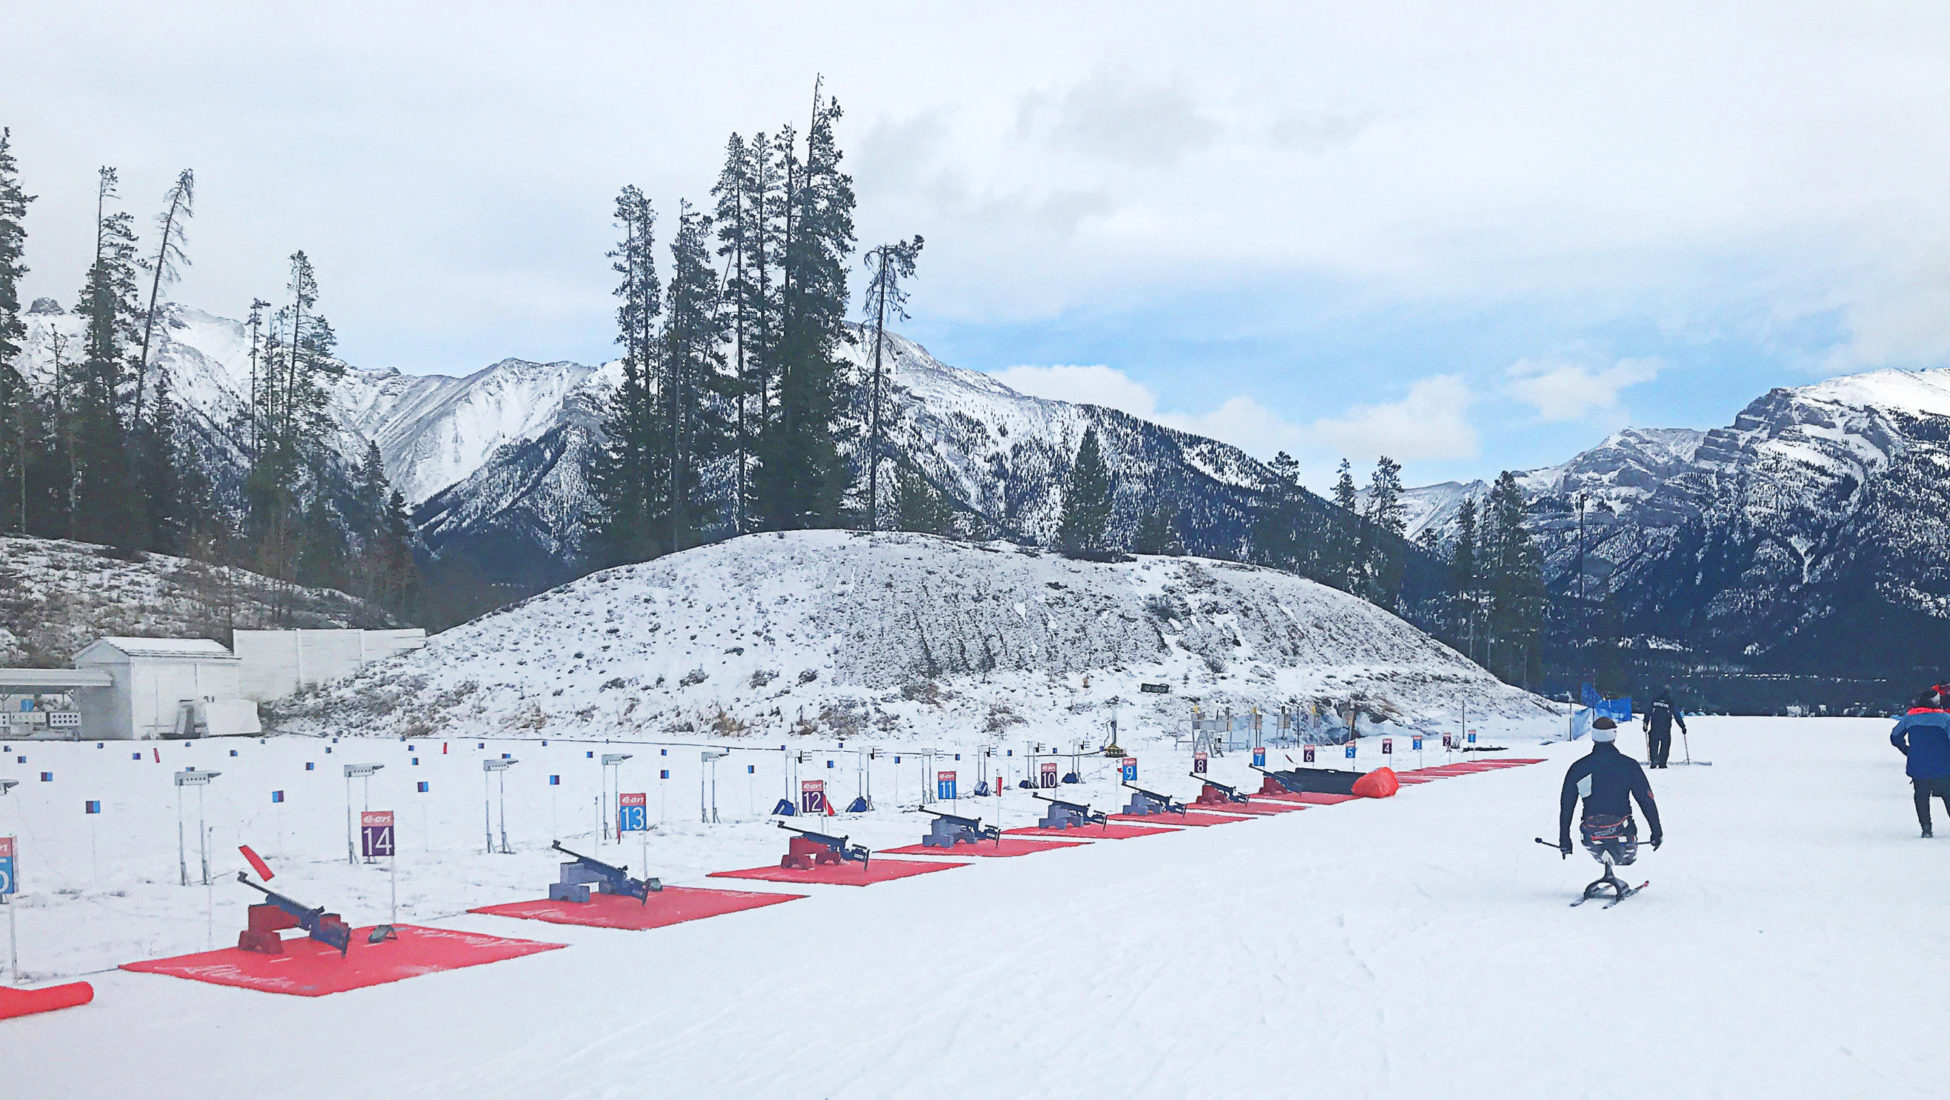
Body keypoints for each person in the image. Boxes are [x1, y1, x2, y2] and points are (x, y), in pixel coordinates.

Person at [1558, 716, 1663, 860]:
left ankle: (1607, 870)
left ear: (1593, 736)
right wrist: (1656, 832)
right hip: (1622, 831)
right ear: (1614, 736)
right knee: (1625, 854)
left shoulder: (1578, 768)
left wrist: (1564, 838)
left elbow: (1567, 804)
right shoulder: (1629, 765)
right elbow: (1646, 799)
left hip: (1591, 832)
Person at [1889, 685, 1950, 838]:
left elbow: (1895, 737)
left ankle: (1926, 828)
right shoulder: (1945, 719)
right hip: (1943, 766)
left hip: (1918, 766)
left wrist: (1908, 751)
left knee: (1921, 796)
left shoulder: (1909, 717)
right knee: (1947, 795)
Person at [1641, 692, 1687, 769]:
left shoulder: (1654, 701)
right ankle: (1662, 762)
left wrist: (1645, 723)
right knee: (1665, 745)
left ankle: (1654, 760)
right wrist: (1682, 726)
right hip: (1666, 728)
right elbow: (1676, 714)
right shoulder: (1670, 701)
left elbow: (1648, 712)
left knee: (1653, 744)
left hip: (1655, 727)